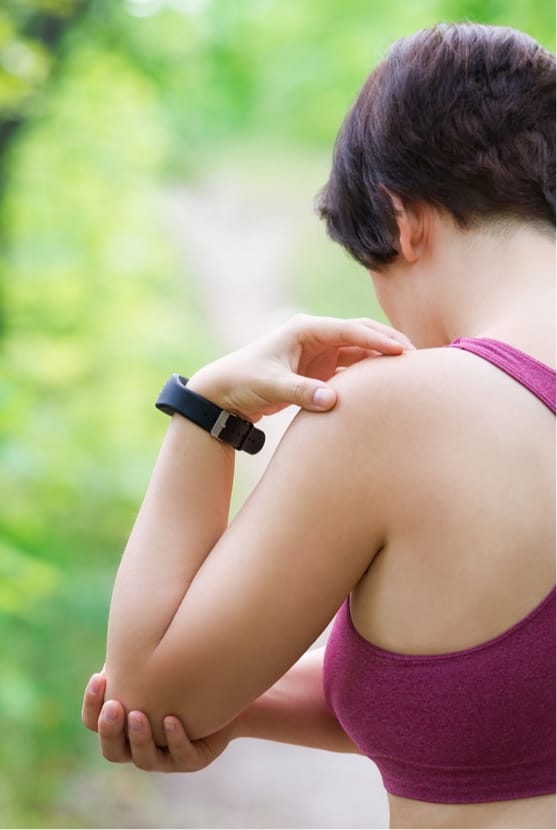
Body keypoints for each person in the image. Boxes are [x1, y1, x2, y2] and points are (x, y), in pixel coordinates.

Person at [82, 22, 556, 830]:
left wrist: (205, 412)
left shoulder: (399, 410)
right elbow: (498, 703)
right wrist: (238, 695)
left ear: (401, 220)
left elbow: (146, 689)